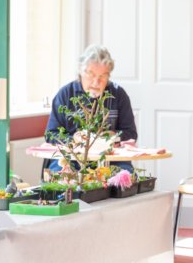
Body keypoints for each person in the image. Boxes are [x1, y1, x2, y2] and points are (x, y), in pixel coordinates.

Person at [44, 44, 138, 175]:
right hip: (71, 157)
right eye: (91, 74)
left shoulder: (118, 94)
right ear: (80, 72)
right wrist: (73, 139)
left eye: (102, 76)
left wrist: (113, 136)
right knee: (60, 175)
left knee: (125, 176)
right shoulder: (65, 94)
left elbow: (131, 133)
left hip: (110, 158)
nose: (96, 82)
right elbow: (51, 134)